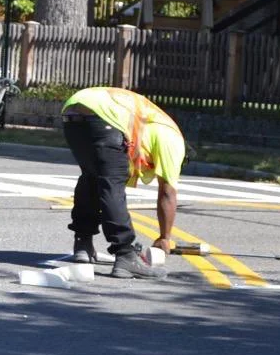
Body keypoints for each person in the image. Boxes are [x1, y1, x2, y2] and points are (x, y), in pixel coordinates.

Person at [61, 86, 186, 279]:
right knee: (112, 184)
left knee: (91, 177)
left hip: (72, 112)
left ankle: (83, 244)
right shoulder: (174, 142)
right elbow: (167, 192)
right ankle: (125, 254)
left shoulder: (158, 125)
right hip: (104, 117)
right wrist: (164, 238)